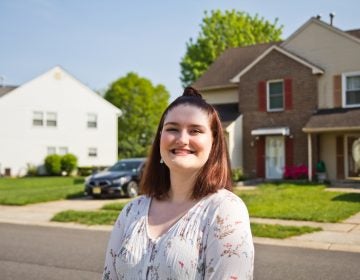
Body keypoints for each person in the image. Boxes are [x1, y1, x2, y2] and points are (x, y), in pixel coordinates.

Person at [102, 87, 254, 280]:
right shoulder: (132, 211)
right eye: (172, 129)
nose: (182, 139)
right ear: (159, 140)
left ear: (213, 143)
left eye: (195, 130)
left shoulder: (225, 211)